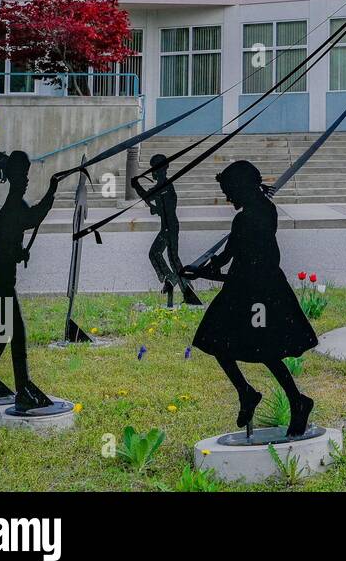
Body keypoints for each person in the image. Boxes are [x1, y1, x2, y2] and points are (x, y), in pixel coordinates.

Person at [183, 160, 317, 438]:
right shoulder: (260, 210)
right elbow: (229, 255)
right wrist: (202, 270)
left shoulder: (251, 216)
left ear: (242, 186)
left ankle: (294, 400)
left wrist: (208, 272)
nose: (228, 197)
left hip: (258, 291)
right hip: (246, 288)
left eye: (229, 190)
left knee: (259, 346)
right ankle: (249, 392)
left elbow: (254, 257)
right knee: (219, 341)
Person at [0, 151, 62, 413]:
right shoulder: (14, 204)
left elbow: (3, 239)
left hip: (4, 276)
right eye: (23, 174)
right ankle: (23, 388)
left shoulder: (13, 203)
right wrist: (51, 192)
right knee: (15, 334)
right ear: (13, 176)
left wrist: (17, 250)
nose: (27, 179)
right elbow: (32, 218)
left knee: (4, 332)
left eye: (27, 174)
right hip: (4, 280)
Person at [131, 154, 201, 307]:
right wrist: (154, 206)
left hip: (170, 227)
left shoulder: (165, 186)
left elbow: (149, 196)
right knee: (172, 259)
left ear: (162, 169)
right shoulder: (163, 186)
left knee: (160, 255)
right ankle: (184, 290)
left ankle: (171, 280)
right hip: (168, 226)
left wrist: (137, 186)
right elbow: (154, 201)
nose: (152, 172)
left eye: (154, 169)